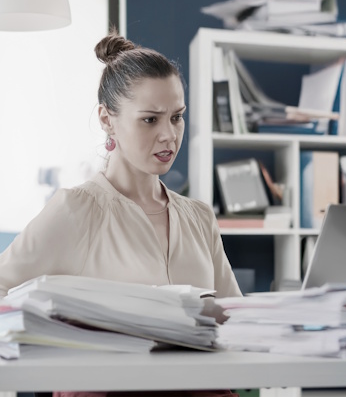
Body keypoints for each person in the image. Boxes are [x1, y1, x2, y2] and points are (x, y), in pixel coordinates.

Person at [0, 33, 242, 396]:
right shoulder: (75, 211)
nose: (169, 136)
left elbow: (238, 320)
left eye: (177, 118)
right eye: (150, 120)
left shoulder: (199, 217)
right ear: (107, 120)